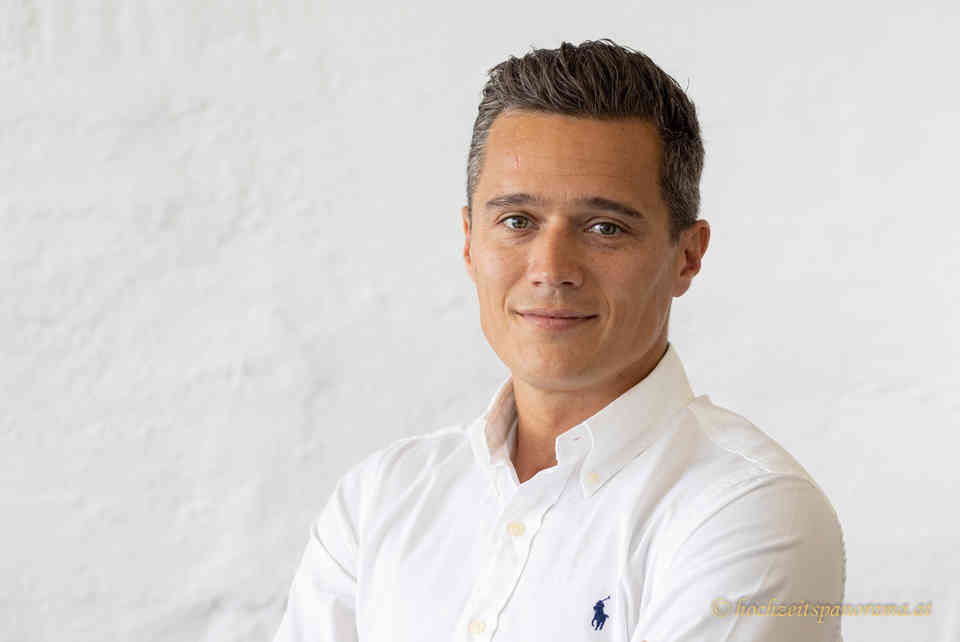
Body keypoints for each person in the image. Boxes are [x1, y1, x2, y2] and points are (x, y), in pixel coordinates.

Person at [272, 38, 845, 642]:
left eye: (605, 227)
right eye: (516, 221)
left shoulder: (749, 509)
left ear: (687, 256)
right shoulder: (379, 499)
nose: (551, 269)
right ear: (469, 241)